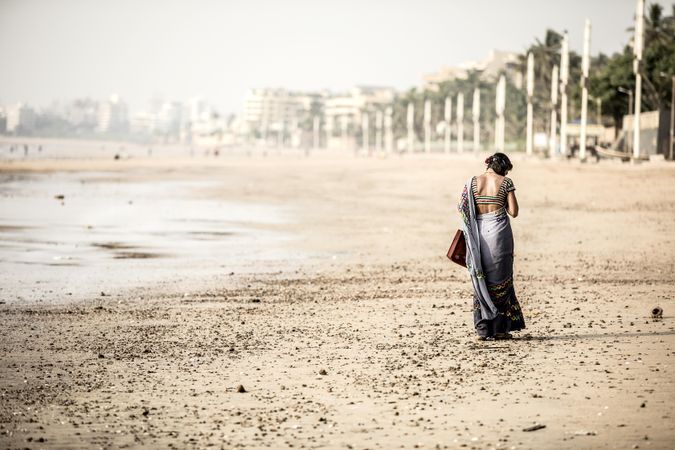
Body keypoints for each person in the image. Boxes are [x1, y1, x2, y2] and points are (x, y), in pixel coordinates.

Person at [457, 152, 525, 340]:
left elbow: (462, 208)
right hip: (499, 235)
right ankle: (500, 329)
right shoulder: (505, 182)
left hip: (478, 235)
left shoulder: (471, 182)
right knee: (501, 280)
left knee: (481, 278)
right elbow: (514, 212)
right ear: (503, 168)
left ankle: (483, 330)